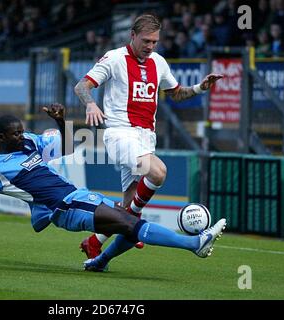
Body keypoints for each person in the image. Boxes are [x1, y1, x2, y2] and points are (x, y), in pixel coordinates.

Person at [0, 103, 226, 272]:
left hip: (75, 196)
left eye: (22, 131)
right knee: (129, 223)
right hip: (64, 206)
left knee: (129, 221)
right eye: (16, 133)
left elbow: (68, 145)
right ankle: (194, 243)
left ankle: (100, 261)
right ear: (1, 137)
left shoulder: (29, 143)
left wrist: (60, 120)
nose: (22, 135)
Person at [74, 13, 223, 258]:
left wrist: (199, 87)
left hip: (145, 138)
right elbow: (82, 86)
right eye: (146, 41)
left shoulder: (159, 62)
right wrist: (90, 104)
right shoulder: (114, 58)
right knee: (158, 172)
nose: (150, 47)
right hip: (121, 135)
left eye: (154, 42)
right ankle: (132, 227)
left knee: (128, 204)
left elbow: (175, 93)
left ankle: (95, 245)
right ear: (132, 36)